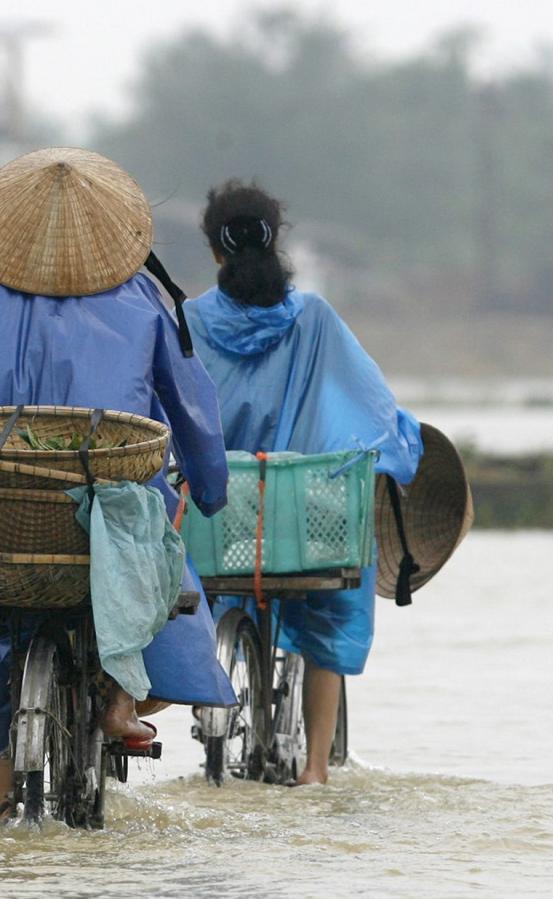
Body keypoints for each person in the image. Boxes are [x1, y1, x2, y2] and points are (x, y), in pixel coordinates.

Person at [0, 148, 237, 819]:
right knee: (165, 584)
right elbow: (191, 407)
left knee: (6, 642)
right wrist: (211, 489)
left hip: (8, 510)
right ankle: (120, 700)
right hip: (117, 502)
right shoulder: (146, 300)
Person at [181, 180, 424, 785]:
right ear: (275, 241)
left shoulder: (189, 320)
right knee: (328, 619)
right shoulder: (314, 318)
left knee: (208, 583)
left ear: (215, 251)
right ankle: (316, 768)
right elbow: (368, 406)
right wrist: (401, 440)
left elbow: (170, 407)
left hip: (222, 509)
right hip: (306, 508)